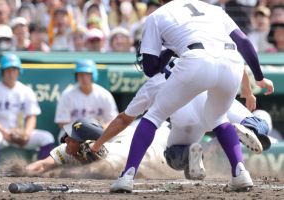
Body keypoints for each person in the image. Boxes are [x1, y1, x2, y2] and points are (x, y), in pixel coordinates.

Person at [95, 0, 274, 193]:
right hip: (232, 63)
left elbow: (150, 69)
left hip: (195, 62)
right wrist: (260, 77)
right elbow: (244, 42)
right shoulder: (214, 9)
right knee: (218, 118)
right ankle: (240, 173)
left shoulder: (157, 15)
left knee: (154, 116)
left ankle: (126, 177)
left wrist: (170, 48)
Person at [91, 63, 271, 180]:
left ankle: (191, 155)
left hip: (186, 120)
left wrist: (96, 145)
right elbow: (236, 64)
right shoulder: (199, 52)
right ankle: (245, 129)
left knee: (174, 156)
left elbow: (123, 120)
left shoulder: (154, 82)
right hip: (217, 104)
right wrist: (247, 92)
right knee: (261, 124)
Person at [25, 118, 170, 176]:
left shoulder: (113, 157)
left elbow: (87, 171)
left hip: (152, 140)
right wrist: (25, 171)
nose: (67, 140)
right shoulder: (69, 148)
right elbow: (42, 165)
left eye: (73, 139)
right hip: (122, 135)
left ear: (85, 146)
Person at [0, 54, 55, 173]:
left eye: (14, 69)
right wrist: (5, 133)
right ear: (2, 71)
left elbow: (31, 116)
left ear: (19, 71)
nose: (11, 73)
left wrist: (27, 134)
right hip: (1, 133)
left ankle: (42, 171)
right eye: (8, 69)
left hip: (21, 133)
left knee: (47, 137)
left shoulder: (25, 90)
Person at [54, 59, 118, 142]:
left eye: (87, 74)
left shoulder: (104, 94)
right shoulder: (67, 94)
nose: (84, 78)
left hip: (99, 134)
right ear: (76, 76)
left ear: (93, 75)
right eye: (81, 75)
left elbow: (112, 120)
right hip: (74, 134)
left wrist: (96, 132)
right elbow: (62, 123)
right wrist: (82, 132)